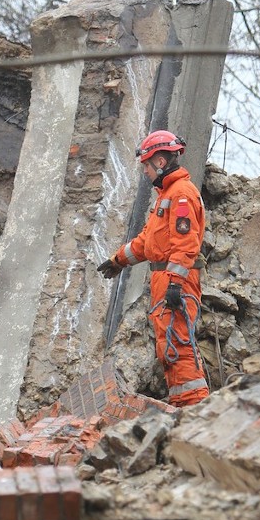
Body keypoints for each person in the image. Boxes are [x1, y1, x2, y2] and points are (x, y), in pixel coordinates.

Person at [98, 130, 209, 406]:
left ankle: (194, 409)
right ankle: (183, 408)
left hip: (176, 283)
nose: (145, 173)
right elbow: (148, 242)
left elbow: (186, 244)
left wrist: (174, 284)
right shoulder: (167, 195)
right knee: (168, 347)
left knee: (178, 345)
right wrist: (118, 260)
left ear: (159, 162)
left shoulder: (181, 194)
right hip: (166, 279)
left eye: (146, 166)